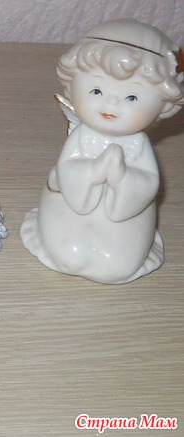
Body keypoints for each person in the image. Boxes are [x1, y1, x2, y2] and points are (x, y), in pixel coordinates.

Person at [21, 18, 184, 284]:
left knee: (116, 267)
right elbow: (68, 170)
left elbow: (147, 184)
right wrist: (95, 171)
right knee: (69, 255)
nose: (111, 104)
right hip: (71, 206)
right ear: (73, 88)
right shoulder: (82, 136)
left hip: (125, 217)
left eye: (131, 97)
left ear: (162, 106)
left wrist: (122, 177)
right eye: (96, 90)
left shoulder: (137, 144)